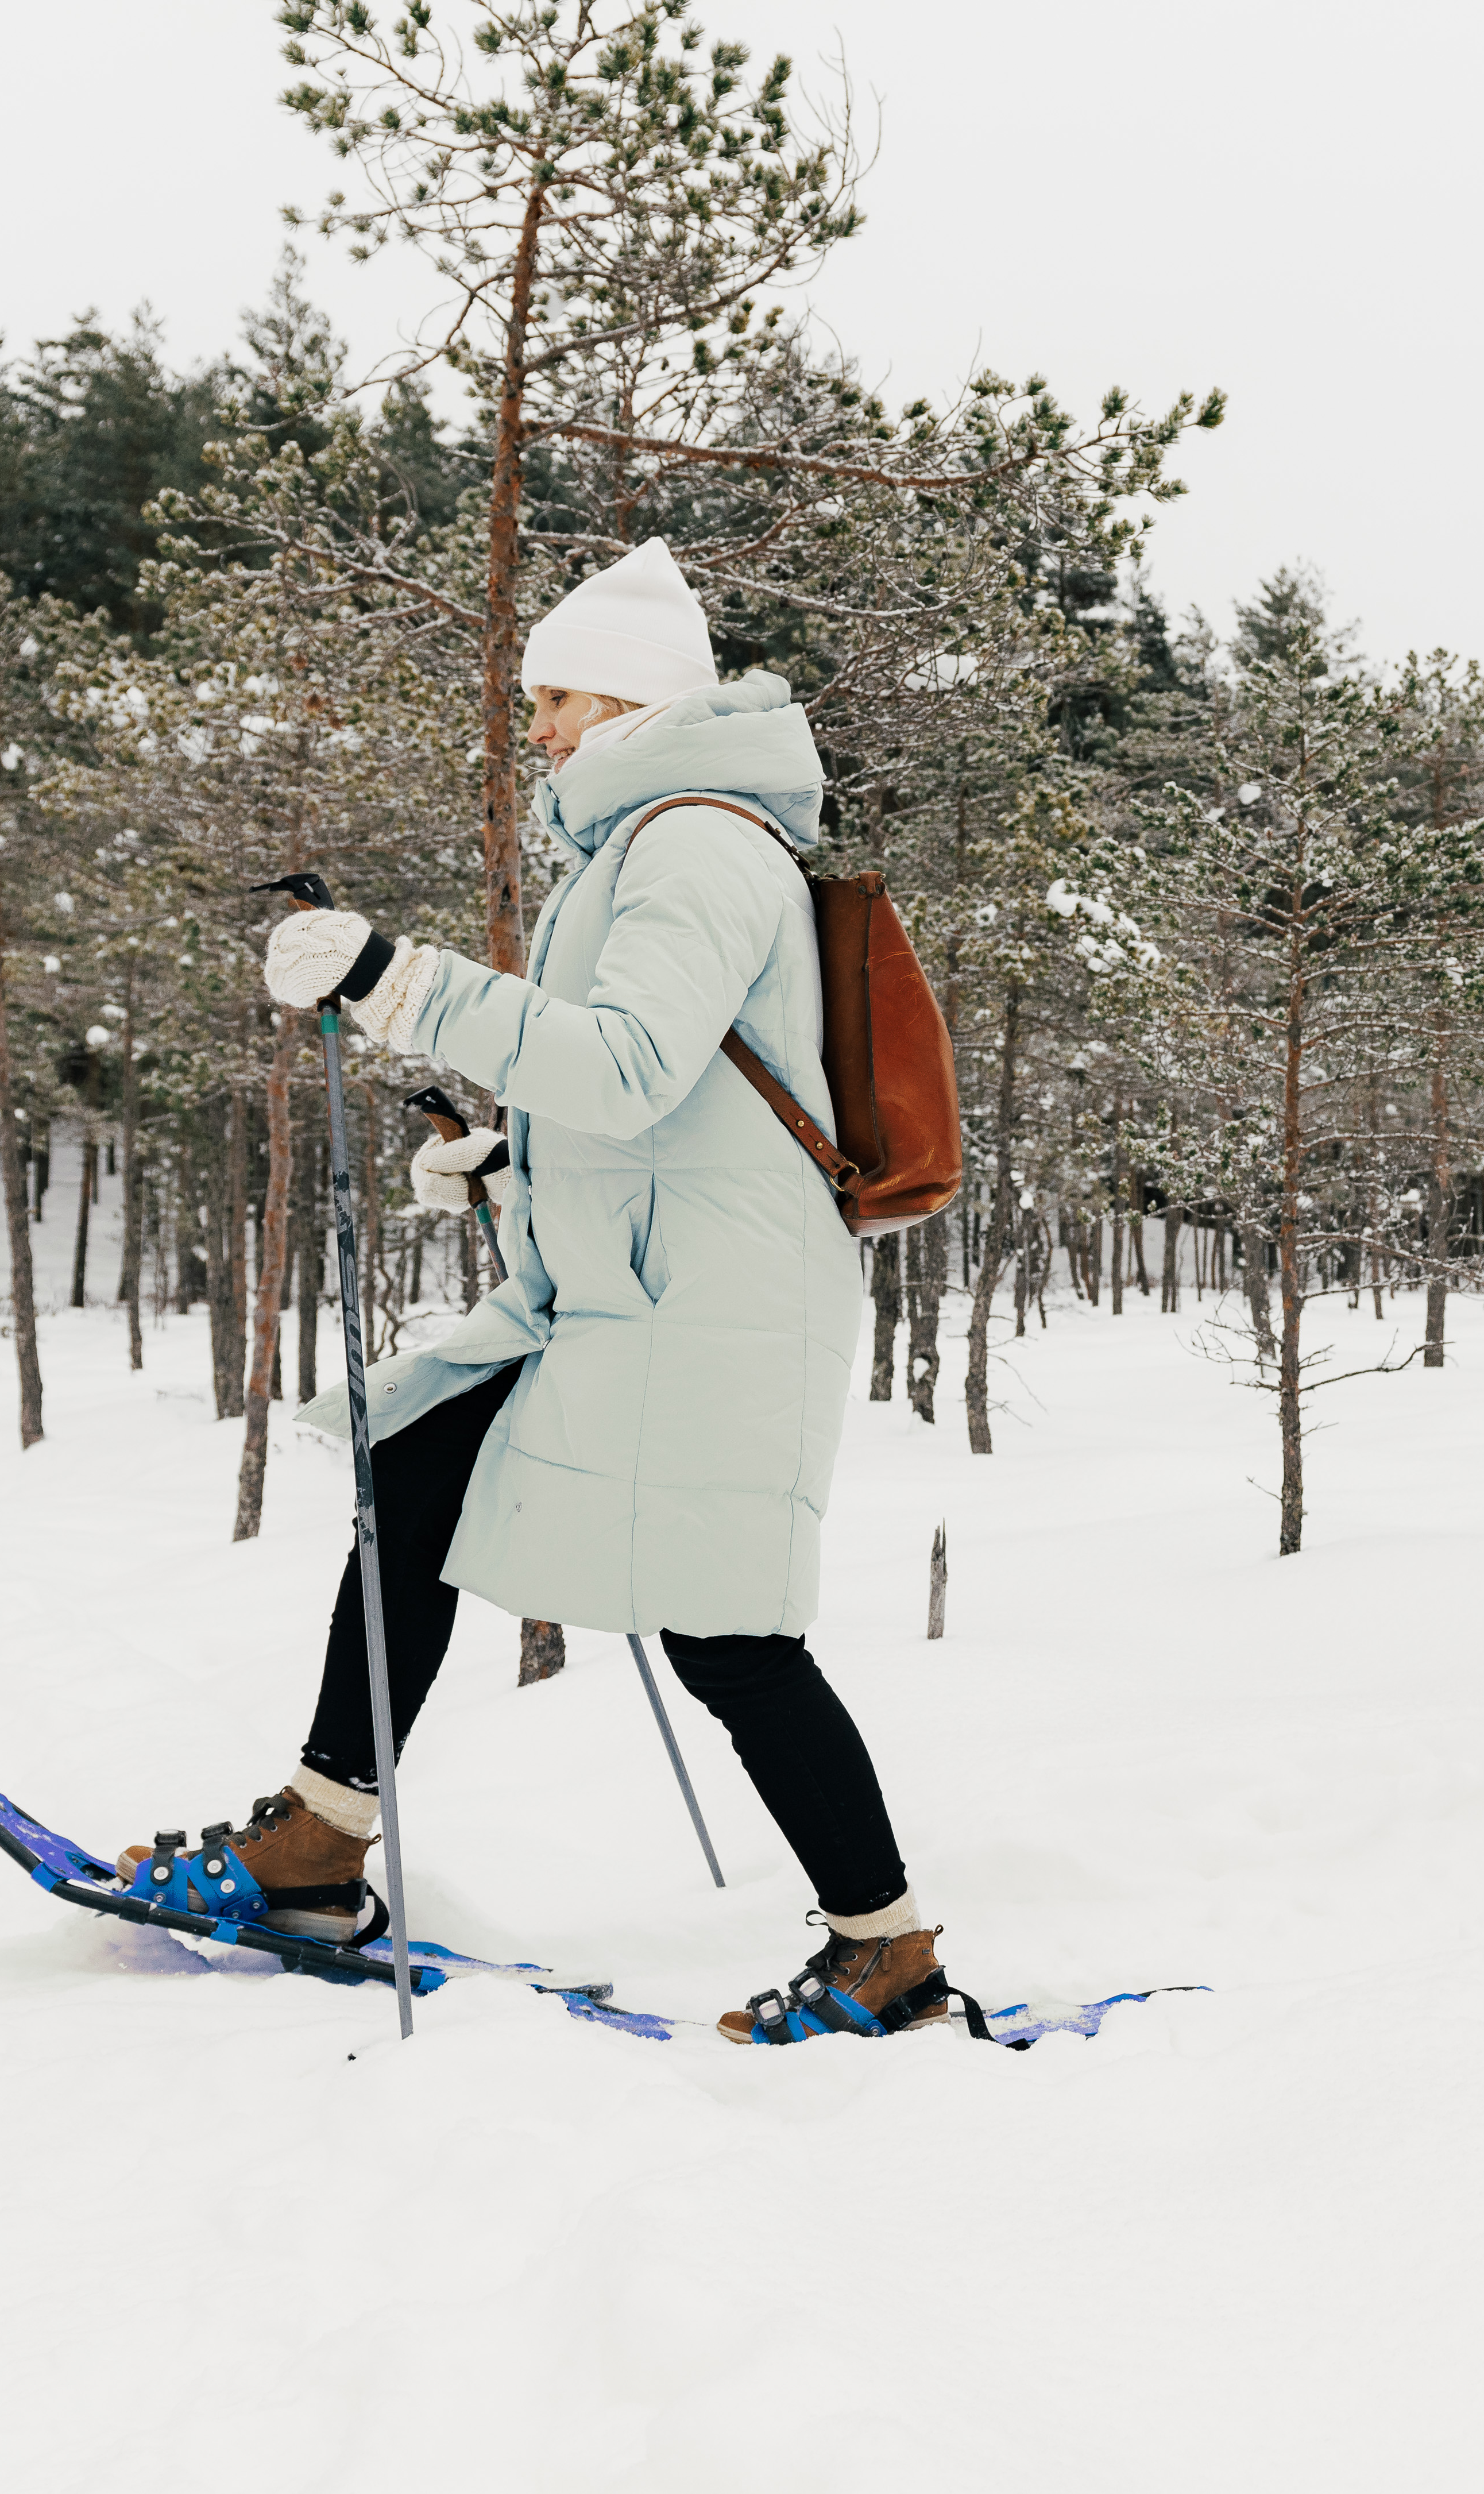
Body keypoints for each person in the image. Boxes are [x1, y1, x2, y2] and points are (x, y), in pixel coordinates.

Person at [128, 538, 962, 2045]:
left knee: (727, 1633)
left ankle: (886, 1951)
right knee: (421, 1464)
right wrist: (512, 1164)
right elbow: (673, 1103)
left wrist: (401, 979)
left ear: (640, 696)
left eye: (563, 695)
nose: (542, 727)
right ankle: (320, 1838)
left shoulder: (699, 841)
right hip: (654, 1288)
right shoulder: (655, 842)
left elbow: (636, 1070)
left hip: (710, 1307)